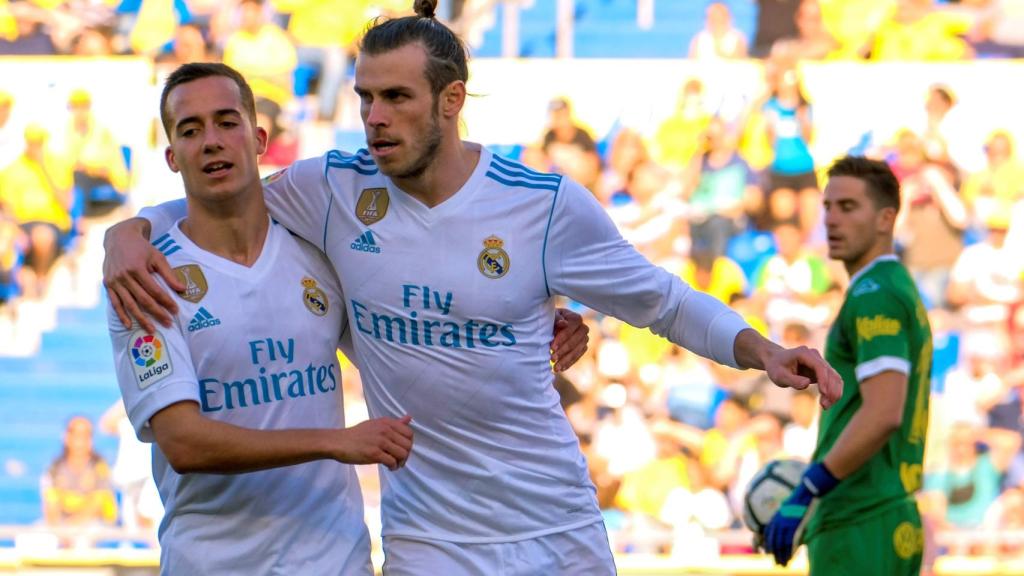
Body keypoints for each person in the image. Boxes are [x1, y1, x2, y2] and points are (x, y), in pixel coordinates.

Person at [104, 2, 842, 573]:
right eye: (364, 99)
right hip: (427, 539)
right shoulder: (331, 189)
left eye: (396, 98)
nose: (375, 120)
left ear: (452, 101)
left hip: (554, 526)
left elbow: (661, 300)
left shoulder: (542, 206)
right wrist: (123, 236)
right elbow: (216, 197)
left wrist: (763, 352)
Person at [107, 61, 590, 574]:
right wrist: (336, 442)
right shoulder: (143, 276)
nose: (211, 141)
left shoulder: (317, 253)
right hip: (213, 563)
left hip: (335, 559)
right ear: (171, 158)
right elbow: (183, 443)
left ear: (259, 139)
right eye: (190, 130)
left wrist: (524, 329)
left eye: (227, 122)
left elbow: (414, 337)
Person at [764, 156, 932, 575]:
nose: (832, 220)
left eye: (848, 207)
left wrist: (809, 488)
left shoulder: (875, 294)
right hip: (881, 513)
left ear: (885, 218)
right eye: (827, 207)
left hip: (860, 518)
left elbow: (882, 412)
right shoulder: (892, 288)